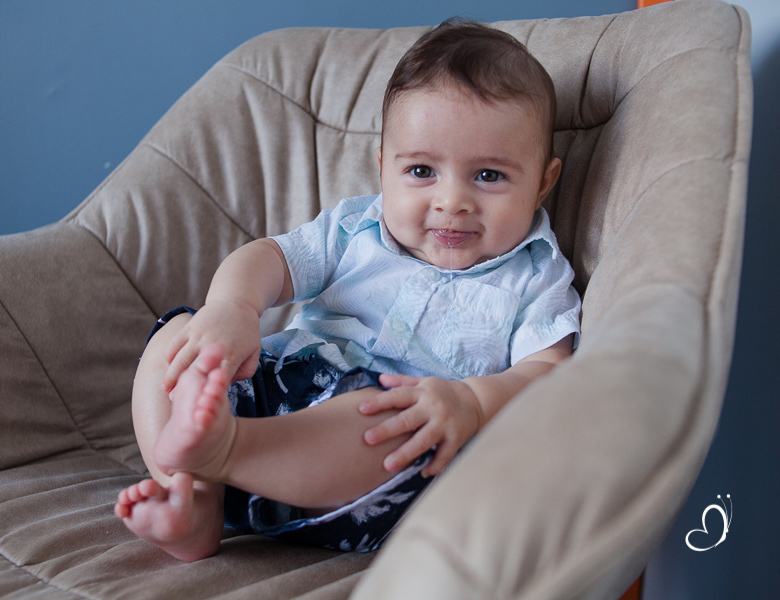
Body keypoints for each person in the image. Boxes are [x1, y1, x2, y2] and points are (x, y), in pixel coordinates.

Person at [114, 18, 581, 561]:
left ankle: (223, 456)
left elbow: (547, 375)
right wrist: (233, 307)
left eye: (489, 177)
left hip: (368, 468)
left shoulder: (536, 275)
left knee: (398, 424)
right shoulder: (354, 229)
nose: (452, 201)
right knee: (180, 333)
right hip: (263, 392)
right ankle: (192, 498)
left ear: (543, 182)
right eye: (423, 170)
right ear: (384, 167)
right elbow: (271, 259)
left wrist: (473, 402)